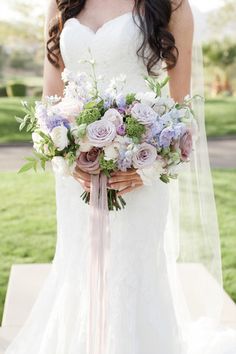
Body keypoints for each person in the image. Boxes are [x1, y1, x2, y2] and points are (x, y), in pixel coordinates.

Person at [5, 0, 236, 353]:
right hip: (76, 174)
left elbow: (181, 107)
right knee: (77, 265)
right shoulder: (60, 2)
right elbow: (51, 99)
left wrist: (149, 165)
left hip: (140, 173)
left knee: (133, 272)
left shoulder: (171, 5)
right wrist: (67, 154)